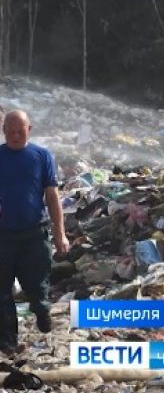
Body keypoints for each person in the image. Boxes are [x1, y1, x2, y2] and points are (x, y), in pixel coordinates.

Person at [0, 110, 69, 354]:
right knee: (2, 293)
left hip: (34, 234)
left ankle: (41, 309)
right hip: (3, 236)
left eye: (21, 131)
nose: (16, 136)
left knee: (37, 287)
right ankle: (8, 343)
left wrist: (60, 234)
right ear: (4, 130)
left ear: (30, 129)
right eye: (11, 131)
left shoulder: (41, 156)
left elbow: (52, 197)